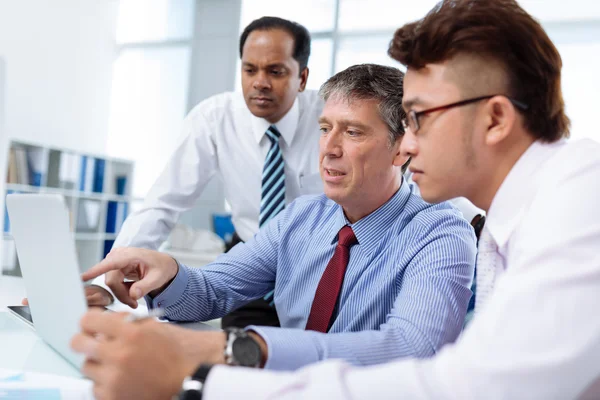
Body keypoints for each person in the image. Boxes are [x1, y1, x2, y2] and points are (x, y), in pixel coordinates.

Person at [125, 0, 600, 398]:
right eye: (326, 129)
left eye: (419, 118)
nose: (409, 145)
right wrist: (168, 278)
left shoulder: (577, 198)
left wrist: (226, 360)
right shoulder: (510, 225)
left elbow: (460, 380)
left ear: (495, 119)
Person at [70, 63, 477, 399]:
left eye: (352, 132)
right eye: (324, 128)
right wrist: (167, 275)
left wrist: (247, 349)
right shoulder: (301, 217)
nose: (329, 147)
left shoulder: (440, 232)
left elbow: (410, 349)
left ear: (400, 146)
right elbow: (212, 290)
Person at [89, 16, 325, 329]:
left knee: (316, 359)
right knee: (233, 357)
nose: (260, 82)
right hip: (252, 261)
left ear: (303, 77)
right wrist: (110, 278)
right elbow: (163, 203)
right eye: (250, 69)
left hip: (319, 265)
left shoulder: (330, 117)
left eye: (276, 71)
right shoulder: (215, 118)